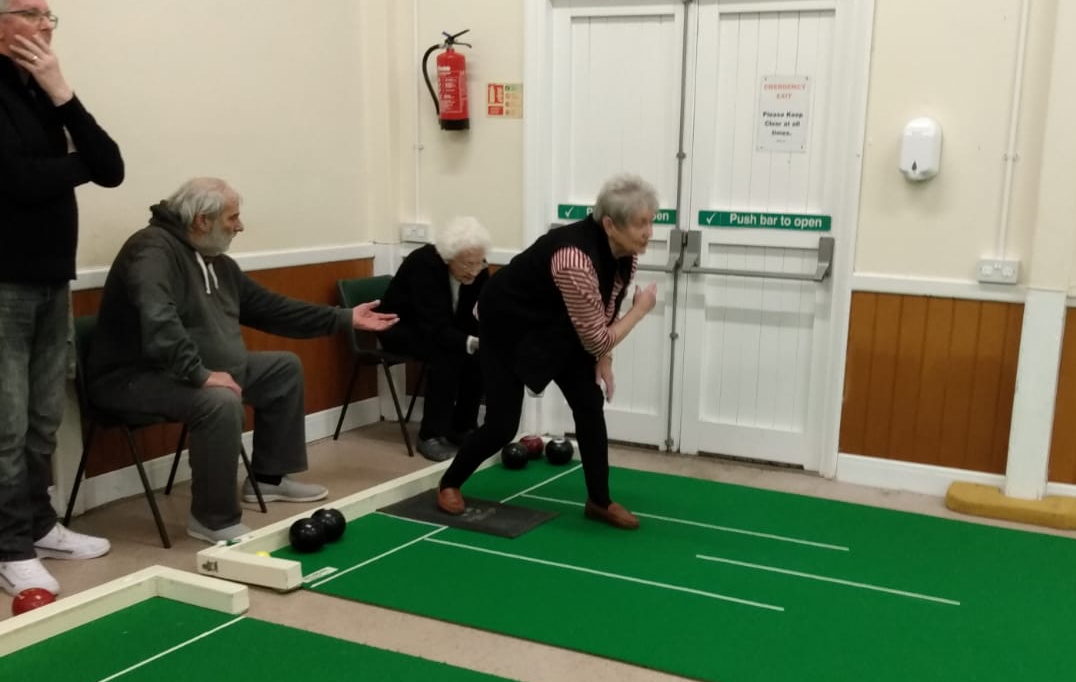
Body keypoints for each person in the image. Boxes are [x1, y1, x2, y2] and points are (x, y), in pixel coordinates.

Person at [87, 178, 397, 544]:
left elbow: (271, 309)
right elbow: (159, 320)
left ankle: (268, 478)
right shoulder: (151, 250)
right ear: (202, 220)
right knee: (218, 401)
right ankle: (212, 519)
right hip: (131, 379)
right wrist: (200, 374)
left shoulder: (216, 262)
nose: (240, 226)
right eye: (233, 217)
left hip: (185, 371)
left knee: (282, 368)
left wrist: (343, 318)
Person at [437, 175, 658, 528]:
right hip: (508, 328)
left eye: (652, 221)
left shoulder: (624, 255)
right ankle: (449, 483)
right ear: (610, 225)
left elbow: (607, 306)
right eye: (640, 224)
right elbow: (598, 337)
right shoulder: (575, 258)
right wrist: (641, 310)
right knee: (501, 426)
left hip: (560, 326)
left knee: (589, 403)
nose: (648, 232)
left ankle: (599, 501)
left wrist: (606, 358)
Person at [0, 0, 125, 598]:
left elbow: (111, 168)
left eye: (52, 16)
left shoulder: (42, 91)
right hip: (3, 283)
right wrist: (69, 167)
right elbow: (16, 183)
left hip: (52, 276)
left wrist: (61, 92)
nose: (47, 27)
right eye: (33, 15)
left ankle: (40, 523)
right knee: (5, 423)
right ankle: (10, 546)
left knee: (43, 418)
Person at [377, 217, 490, 462]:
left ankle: (462, 427)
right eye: (467, 264)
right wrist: (468, 342)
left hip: (443, 329)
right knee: (447, 353)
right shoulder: (424, 264)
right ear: (449, 258)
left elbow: (480, 314)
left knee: (479, 356)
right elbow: (433, 326)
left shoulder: (478, 271)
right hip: (400, 328)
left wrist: (482, 341)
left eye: (479, 263)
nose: (474, 270)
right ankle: (431, 434)